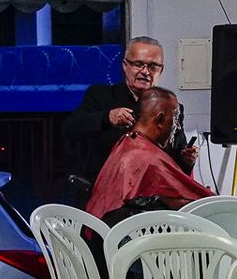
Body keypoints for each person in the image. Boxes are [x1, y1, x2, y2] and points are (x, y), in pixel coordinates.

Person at [63, 37, 198, 190]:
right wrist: (107, 117)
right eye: (138, 64)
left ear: (161, 70)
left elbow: (175, 161)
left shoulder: (171, 107)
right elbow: (70, 128)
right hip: (105, 192)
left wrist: (187, 160)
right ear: (125, 66)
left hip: (153, 196)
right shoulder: (101, 95)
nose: (145, 72)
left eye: (153, 66)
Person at [83, 88, 215, 220]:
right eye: (175, 119)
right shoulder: (146, 158)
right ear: (160, 119)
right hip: (126, 234)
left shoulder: (129, 143)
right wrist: (207, 199)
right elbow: (176, 200)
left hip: (100, 229)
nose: (178, 127)